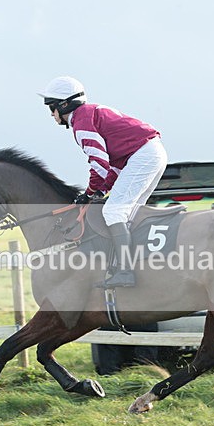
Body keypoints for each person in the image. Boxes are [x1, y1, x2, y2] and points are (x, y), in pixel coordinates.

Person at [38, 76, 168, 288]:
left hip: (143, 155)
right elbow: (113, 166)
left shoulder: (81, 122)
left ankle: (125, 272)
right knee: (129, 212)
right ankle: (131, 264)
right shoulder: (88, 114)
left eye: (51, 108)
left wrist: (90, 192)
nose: (51, 115)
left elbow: (99, 164)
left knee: (114, 212)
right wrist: (100, 190)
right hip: (148, 153)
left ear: (64, 105)